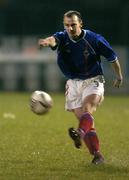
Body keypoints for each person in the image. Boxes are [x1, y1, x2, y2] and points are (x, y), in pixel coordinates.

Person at [38, 10, 123, 164]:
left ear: (81, 24)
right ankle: (97, 155)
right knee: (86, 121)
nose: (70, 29)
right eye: (67, 25)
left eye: (73, 25)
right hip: (73, 83)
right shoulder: (63, 37)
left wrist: (119, 76)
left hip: (93, 79)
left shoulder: (94, 39)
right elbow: (53, 39)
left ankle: (79, 132)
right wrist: (46, 42)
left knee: (87, 109)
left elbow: (113, 58)